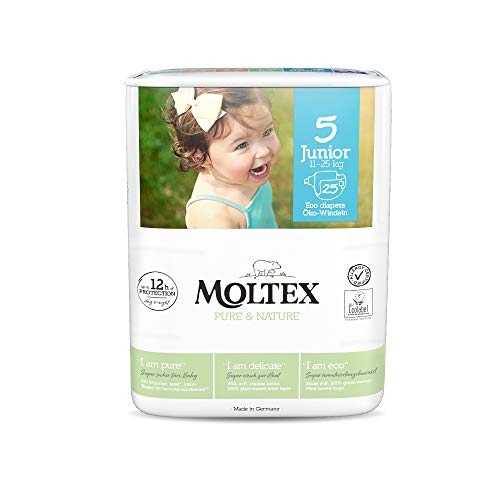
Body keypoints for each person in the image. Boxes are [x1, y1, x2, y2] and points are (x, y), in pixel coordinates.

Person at [164, 87, 281, 229]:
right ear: (201, 157)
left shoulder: (241, 174)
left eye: (267, 132)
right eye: (242, 145)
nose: (264, 151)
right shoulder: (212, 217)